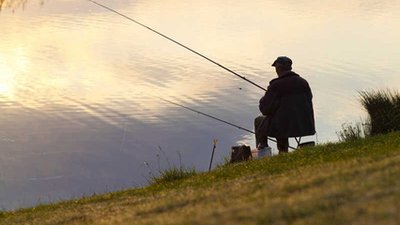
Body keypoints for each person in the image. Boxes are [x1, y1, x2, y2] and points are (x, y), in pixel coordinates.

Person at [255, 56, 315, 153]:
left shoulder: (275, 85)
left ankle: (264, 150)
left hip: (284, 126)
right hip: (303, 123)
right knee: (283, 119)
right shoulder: (303, 82)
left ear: (278, 68)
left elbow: (265, 109)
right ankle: (282, 152)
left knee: (259, 120)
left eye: (276, 67)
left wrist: (263, 99)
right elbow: (309, 99)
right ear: (290, 68)